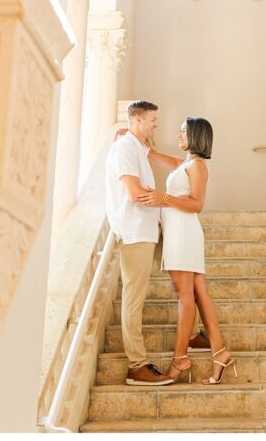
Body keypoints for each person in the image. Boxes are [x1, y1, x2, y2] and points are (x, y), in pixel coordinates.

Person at [134, 116, 236, 385]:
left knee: (184, 294)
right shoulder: (187, 163)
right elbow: (154, 156)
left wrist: (162, 198)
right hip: (180, 231)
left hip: (183, 232)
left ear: (196, 135)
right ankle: (220, 351)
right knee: (198, 292)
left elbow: (197, 204)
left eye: (183, 132)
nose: (178, 135)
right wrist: (135, 138)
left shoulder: (198, 166)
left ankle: (180, 358)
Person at [104, 100, 172, 385]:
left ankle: (192, 333)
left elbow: (158, 157)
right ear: (138, 120)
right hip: (134, 232)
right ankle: (137, 366)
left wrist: (192, 164)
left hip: (149, 228)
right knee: (134, 300)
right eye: (153, 119)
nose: (157, 124)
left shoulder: (137, 147)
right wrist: (167, 199)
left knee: (184, 277)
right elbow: (134, 193)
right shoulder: (124, 149)